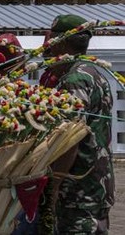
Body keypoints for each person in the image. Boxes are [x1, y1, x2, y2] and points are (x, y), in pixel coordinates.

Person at [42, 14, 115, 233]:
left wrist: (54, 185)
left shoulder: (75, 80)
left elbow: (69, 140)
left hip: (78, 187)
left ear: (61, 42)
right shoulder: (94, 73)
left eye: (51, 39)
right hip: (95, 181)